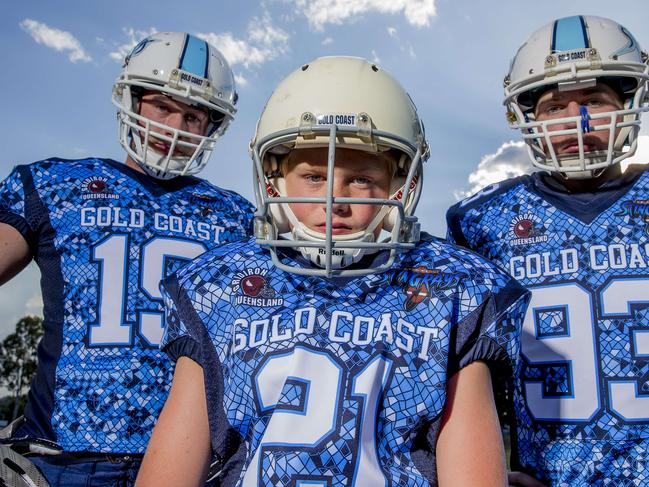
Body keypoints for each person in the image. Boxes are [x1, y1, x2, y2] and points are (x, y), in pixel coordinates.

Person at [135, 55, 530, 487]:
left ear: (401, 184)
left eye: (360, 179)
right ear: (275, 179)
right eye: (313, 175)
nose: (334, 200)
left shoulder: (450, 285)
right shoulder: (218, 284)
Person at [0, 32, 254, 486]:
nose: (175, 126)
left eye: (193, 115)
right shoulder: (55, 185)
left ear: (212, 125)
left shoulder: (239, 217)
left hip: (193, 462)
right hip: (62, 459)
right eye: (162, 106)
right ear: (132, 101)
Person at [446, 15, 649, 486]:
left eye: (595, 100)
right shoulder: (480, 221)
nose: (576, 121)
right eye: (556, 106)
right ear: (527, 115)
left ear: (629, 102)